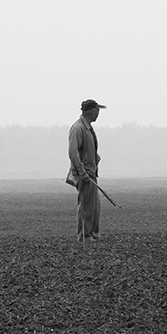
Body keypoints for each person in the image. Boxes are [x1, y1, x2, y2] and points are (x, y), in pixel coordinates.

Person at [67, 99, 106, 242]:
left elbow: (85, 150)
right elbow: (73, 153)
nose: (99, 113)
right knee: (86, 207)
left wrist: (95, 157)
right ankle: (84, 237)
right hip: (85, 175)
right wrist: (82, 173)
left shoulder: (87, 127)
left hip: (91, 173)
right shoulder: (78, 128)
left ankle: (93, 236)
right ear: (92, 111)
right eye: (97, 110)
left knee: (95, 207)